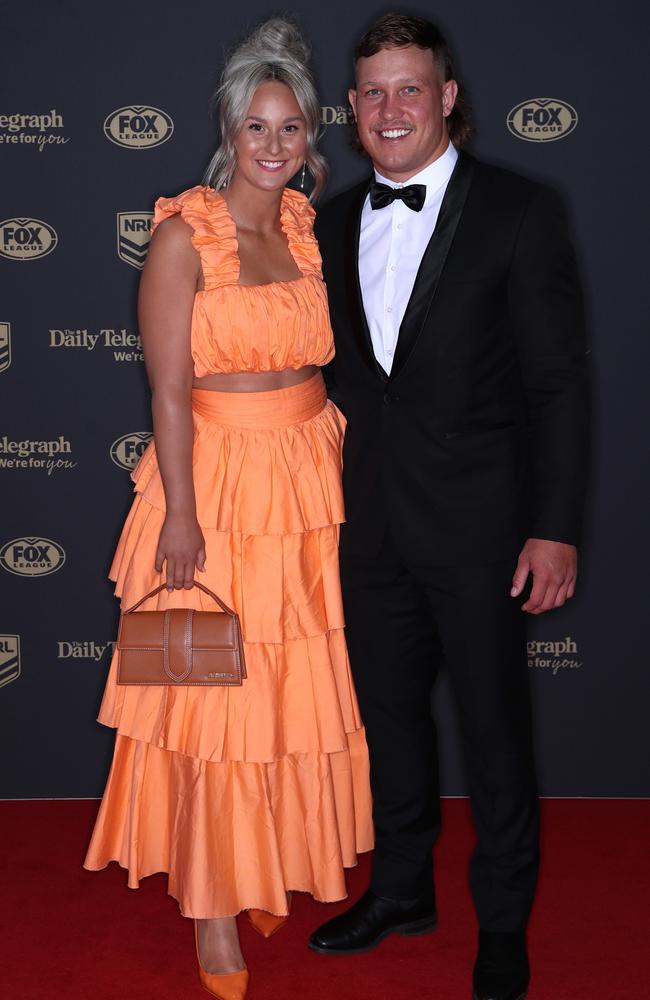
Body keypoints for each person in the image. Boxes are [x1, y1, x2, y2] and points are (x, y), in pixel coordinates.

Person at [84, 18, 373, 1000]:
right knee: (206, 696)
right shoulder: (182, 231)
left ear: (308, 138)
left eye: (289, 125)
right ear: (227, 129)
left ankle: (260, 864)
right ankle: (210, 907)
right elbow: (167, 388)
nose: (273, 143)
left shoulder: (302, 222)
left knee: (285, 694)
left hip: (302, 481)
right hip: (210, 481)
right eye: (255, 125)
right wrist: (178, 514)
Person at [309, 13, 589, 1000]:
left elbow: (556, 382)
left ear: (447, 97)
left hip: (480, 533)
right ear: (351, 108)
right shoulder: (329, 223)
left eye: (409, 89)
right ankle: (400, 891)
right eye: (372, 92)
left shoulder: (519, 208)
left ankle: (501, 924)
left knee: (492, 732)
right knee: (389, 726)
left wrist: (552, 527)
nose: (390, 109)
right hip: (368, 527)